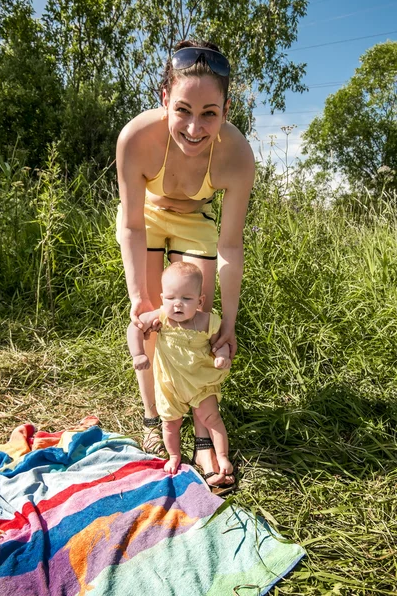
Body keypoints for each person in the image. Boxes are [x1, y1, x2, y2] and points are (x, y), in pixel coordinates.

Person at [116, 39, 255, 491]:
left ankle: (201, 427)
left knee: (195, 314)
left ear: (226, 109)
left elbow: (230, 246)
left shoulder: (237, 155)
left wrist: (228, 323)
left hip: (196, 219)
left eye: (210, 113)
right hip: (148, 218)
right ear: (164, 101)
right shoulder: (136, 138)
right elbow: (133, 225)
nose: (195, 128)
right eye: (183, 110)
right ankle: (154, 416)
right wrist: (139, 297)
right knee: (155, 313)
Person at [127, 262, 234, 491]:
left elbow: (219, 343)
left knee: (212, 418)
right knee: (170, 425)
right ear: (163, 298)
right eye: (171, 298)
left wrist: (222, 356)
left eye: (186, 299)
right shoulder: (162, 317)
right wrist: (137, 353)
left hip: (200, 383)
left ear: (200, 301)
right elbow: (134, 327)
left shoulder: (208, 321)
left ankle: (223, 457)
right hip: (170, 386)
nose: (178, 304)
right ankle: (174, 455)